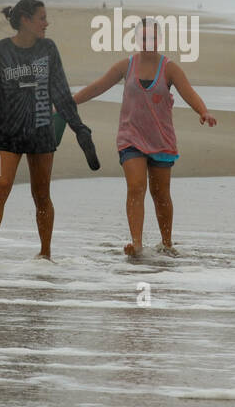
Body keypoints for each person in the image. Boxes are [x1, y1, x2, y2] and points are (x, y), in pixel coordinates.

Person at [0, 0, 99, 264]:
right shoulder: (0, 51)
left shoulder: (48, 49)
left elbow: (61, 93)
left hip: (41, 130)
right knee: (1, 185)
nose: (46, 23)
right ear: (25, 20)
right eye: (42, 18)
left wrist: (80, 129)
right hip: (8, 133)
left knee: (41, 194)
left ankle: (45, 252)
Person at [73, 19, 216, 255]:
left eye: (153, 38)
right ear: (137, 40)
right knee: (136, 187)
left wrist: (203, 112)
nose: (148, 43)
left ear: (159, 40)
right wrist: (68, 103)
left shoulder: (169, 68)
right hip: (131, 137)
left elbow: (188, 92)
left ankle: (166, 243)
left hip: (161, 139)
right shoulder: (125, 66)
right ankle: (136, 243)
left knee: (160, 194)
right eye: (144, 38)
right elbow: (98, 87)